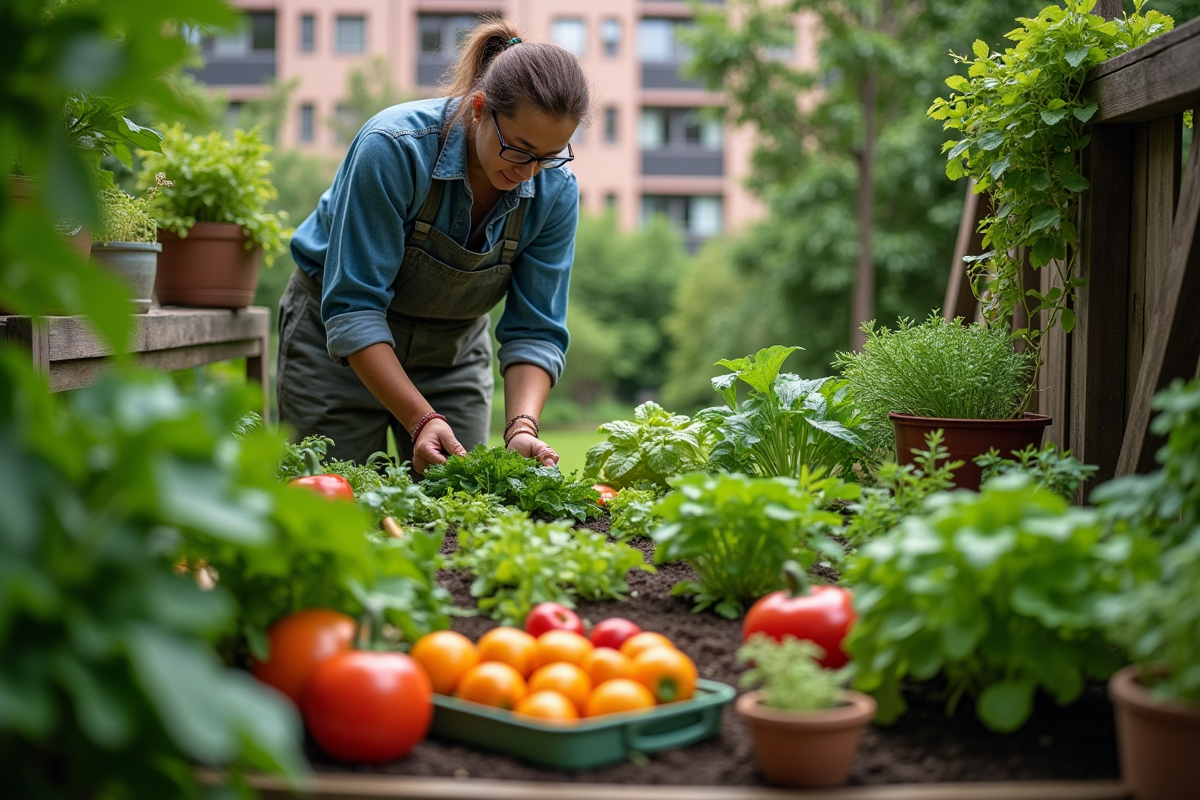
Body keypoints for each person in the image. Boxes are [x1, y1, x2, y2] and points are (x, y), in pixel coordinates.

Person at [278, 20, 590, 475]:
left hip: (451, 355)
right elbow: (354, 308)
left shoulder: (555, 191)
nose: (530, 172)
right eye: (519, 149)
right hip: (335, 349)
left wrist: (522, 427)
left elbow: (535, 330)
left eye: (548, 156)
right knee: (333, 506)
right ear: (481, 109)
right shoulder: (393, 149)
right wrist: (420, 418)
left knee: (453, 518)